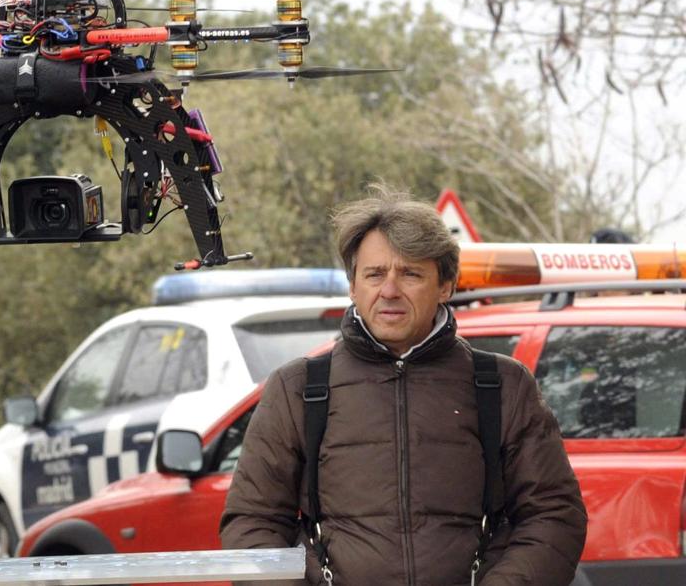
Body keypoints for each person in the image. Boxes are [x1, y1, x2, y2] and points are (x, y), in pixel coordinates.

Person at [221, 185, 587, 585]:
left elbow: (553, 516)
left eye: (410, 273)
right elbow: (253, 525)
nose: (389, 290)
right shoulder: (297, 388)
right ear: (353, 286)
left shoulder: (503, 385)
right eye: (375, 274)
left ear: (445, 285)